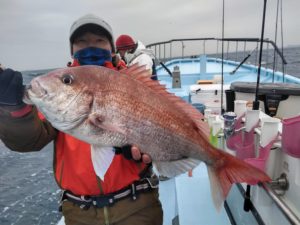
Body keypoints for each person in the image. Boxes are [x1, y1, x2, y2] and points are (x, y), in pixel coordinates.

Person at [0, 14, 163, 225]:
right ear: (72, 50)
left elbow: (163, 122)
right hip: (79, 213)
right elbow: (29, 141)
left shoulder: (133, 82)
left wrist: (149, 146)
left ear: (112, 48)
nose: (91, 46)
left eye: (99, 40)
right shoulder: (60, 92)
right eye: (82, 41)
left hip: (138, 206)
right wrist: (17, 111)